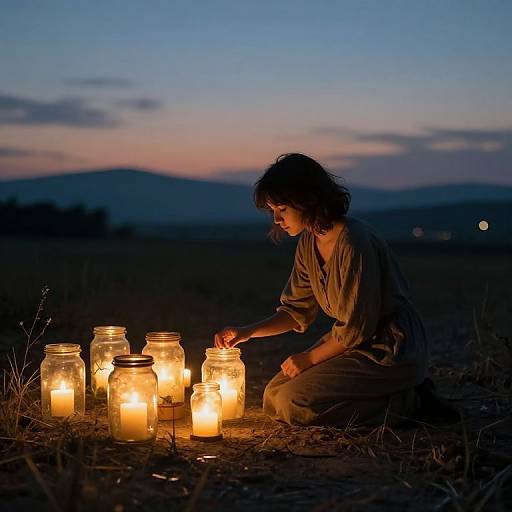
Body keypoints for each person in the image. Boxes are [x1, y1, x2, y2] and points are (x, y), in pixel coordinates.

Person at [214, 153, 431, 427]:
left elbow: (356, 329)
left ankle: (406, 403)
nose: (277, 219)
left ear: (308, 199)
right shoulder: (309, 243)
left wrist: (309, 359)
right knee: (274, 395)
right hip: (350, 342)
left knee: (294, 403)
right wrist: (247, 332)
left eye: (282, 208)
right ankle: (382, 398)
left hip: (389, 347)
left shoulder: (354, 244)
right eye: (273, 211)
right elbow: (296, 310)